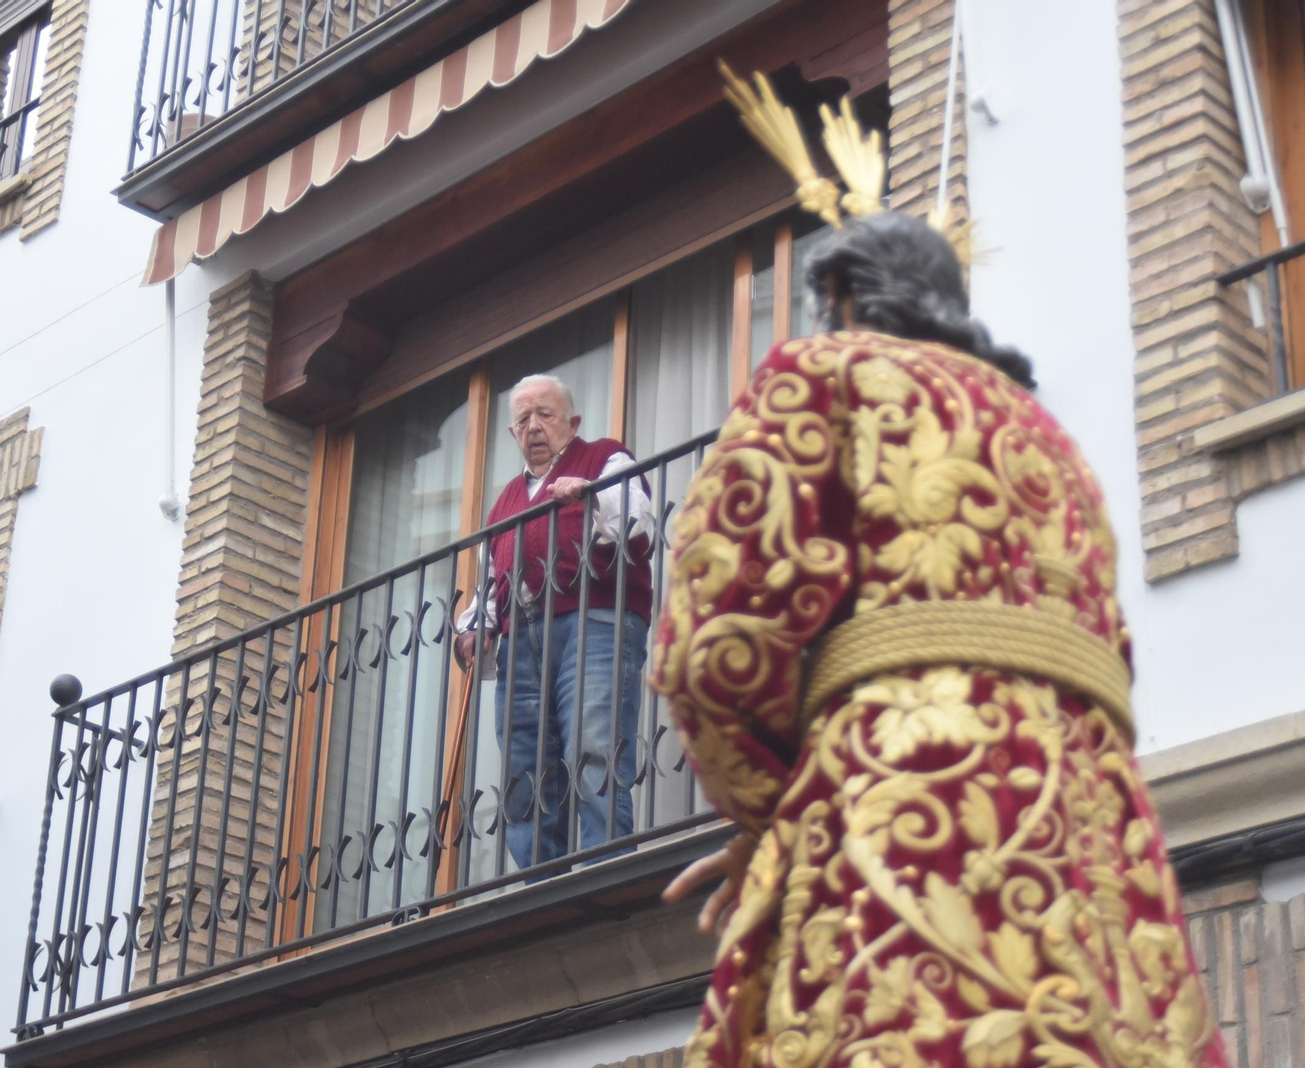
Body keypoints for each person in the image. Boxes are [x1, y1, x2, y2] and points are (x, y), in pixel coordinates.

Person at [649, 71, 1227, 1068]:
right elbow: (1111, 654)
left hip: (906, 786)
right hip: (1092, 825)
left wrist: (768, 806)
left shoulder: (821, 375)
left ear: (843, 296)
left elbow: (721, 637)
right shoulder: (1057, 443)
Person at [454, 373, 653, 872]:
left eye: (545, 414)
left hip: (594, 623)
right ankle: (541, 886)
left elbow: (638, 522)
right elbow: (493, 583)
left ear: (573, 422)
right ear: (512, 433)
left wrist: (590, 494)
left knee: (594, 748)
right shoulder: (505, 503)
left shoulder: (605, 458)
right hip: (522, 640)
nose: (534, 426)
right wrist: (474, 628)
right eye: (523, 419)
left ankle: (605, 870)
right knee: (525, 772)